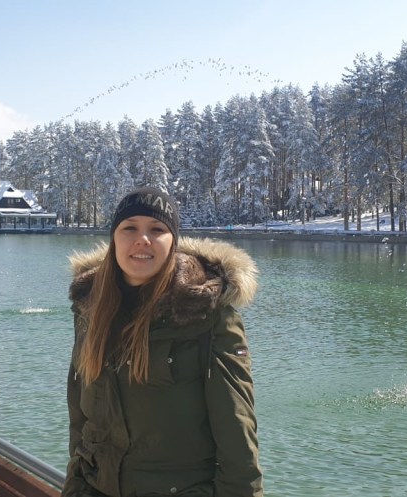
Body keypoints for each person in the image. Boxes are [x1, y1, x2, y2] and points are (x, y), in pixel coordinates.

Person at [64, 187, 263, 497]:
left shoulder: (207, 316)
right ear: (114, 238)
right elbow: (80, 418)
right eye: (129, 228)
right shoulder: (91, 308)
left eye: (157, 229)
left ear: (173, 242)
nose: (142, 239)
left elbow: (237, 433)